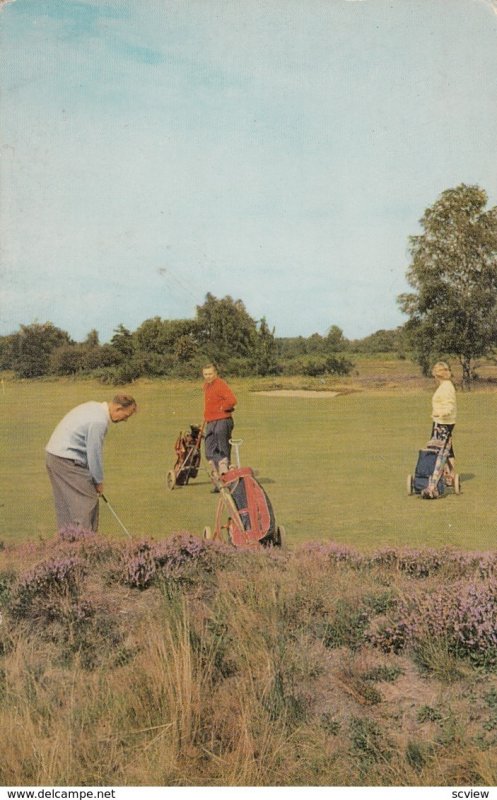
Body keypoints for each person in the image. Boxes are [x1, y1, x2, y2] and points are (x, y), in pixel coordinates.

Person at [45, 394, 137, 531]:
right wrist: (98, 481)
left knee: (66, 504)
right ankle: (86, 546)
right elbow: (94, 453)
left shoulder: (94, 406)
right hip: (65, 459)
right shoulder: (99, 421)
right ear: (118, 408)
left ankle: (67, 546)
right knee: (88, 501)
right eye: (126, 415)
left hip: (54, 455)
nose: (125, 420)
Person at [423, 361, 457, 497]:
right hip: (440, 421)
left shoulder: (447, 387)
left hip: (443, 422)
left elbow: (449, 405)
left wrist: (441, 414)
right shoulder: (444, 386)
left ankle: (448, 476)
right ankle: (449, 476)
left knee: (442, 450)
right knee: (447, 449)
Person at [202, 364, 237, 488]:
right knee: (209, 451)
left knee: (223, 449)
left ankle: (225, 479)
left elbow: (232, 400)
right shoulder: (206, 386)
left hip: (223, 420)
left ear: (215, 373)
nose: (208, 377)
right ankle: (221, 474)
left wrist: (221, 408)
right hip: (211, 421)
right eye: (205, 374)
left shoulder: (220, 384)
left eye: (210, 374)